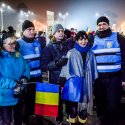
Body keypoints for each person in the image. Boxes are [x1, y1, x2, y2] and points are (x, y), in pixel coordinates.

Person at [91, 16, 125, 125]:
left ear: (108, 25)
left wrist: (124, 78)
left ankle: (112, 121)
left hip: (115, 78)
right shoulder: (92, 39)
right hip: (99, 79)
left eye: (104, 24)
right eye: (99, 25)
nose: (101, 26)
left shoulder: (118, 37)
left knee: (113, 104)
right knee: (100, 103)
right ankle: (102, 121)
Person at [60, 31, 98, 124]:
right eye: (81, 39)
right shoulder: (71, 53)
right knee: (73, 106)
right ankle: (72, 120)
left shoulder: (91, 53)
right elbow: (66, 69)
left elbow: (94, 69)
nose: (83, 41)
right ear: (76, 41)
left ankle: (82, 119)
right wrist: (69, 80)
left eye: (85, 39)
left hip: (87, 82)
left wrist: (91, 79)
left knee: (84, 105)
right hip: (75, 83)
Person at [0, 27, 30, 125]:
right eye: (10, 44)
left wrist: (25, 77)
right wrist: (13, 83)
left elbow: (26, 68)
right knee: (6, 121)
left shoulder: (18, 55)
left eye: (14, 43)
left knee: (19, 119)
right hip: (5, 97)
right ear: (2, 45)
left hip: (19, 94)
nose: (13, 46)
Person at [42, 24, 69, 124]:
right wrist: (57, 63)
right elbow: (45, 66)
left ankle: (70, 117)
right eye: (58, 31)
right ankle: (59, 119)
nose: (61, 33)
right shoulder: (48, 48)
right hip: (55, 79)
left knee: (69, 99)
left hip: (68, 77)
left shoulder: (68, 44)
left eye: (62, 31)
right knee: (58, 102)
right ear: (53, 33)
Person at [17, 20, 42, 125]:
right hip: (26, 78)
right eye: (29, 29)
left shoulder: (37, 43)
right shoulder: (18, 44)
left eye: (33, 29)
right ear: (23, 31)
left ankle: (37, 117)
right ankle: (25, 120)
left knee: (37, 99)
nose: (32, 31)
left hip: (38, 77)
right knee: (25, 101)